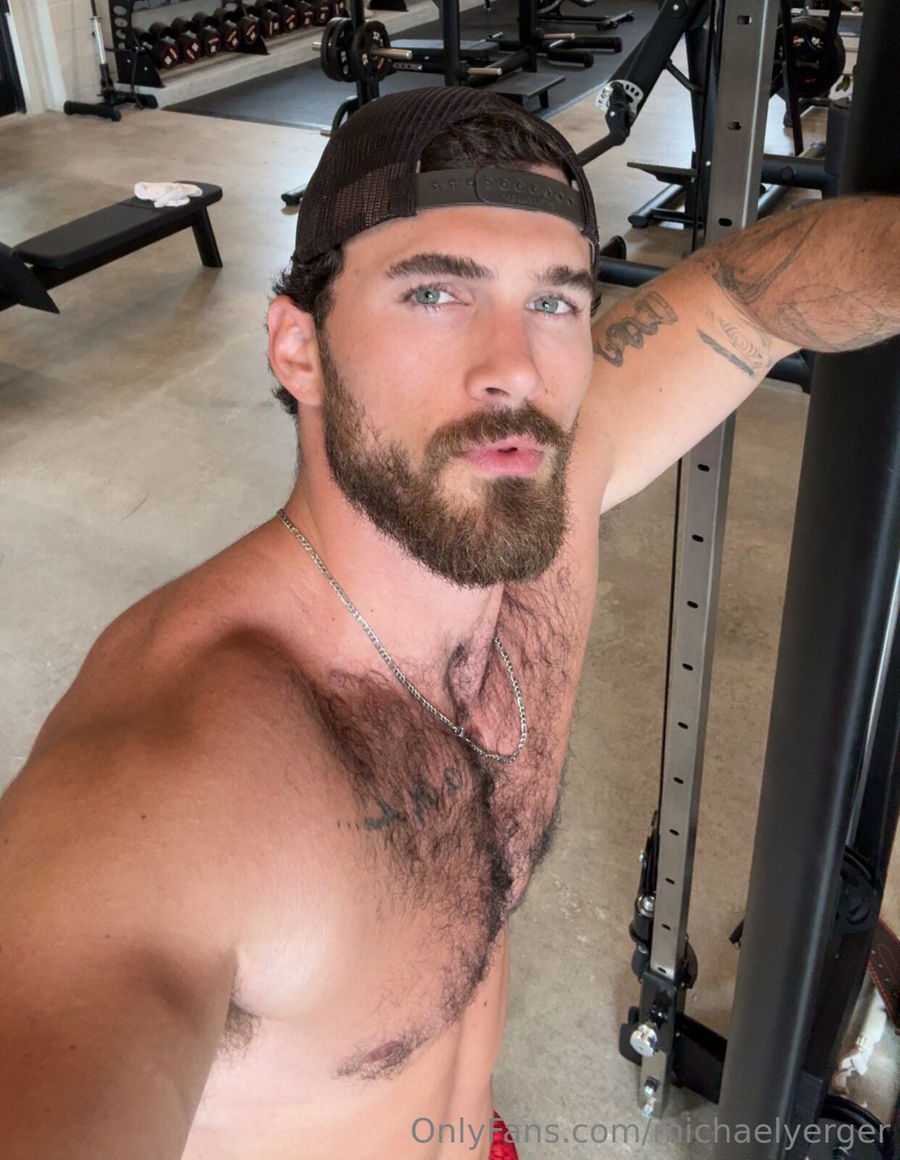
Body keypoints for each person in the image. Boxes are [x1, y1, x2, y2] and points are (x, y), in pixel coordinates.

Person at [1, 84, 898, 1160]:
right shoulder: (166, 789)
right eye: (434, 293)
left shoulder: (542, 504)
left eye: (556, 300)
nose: (515, 369)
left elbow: (752, 299)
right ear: (298, 348)